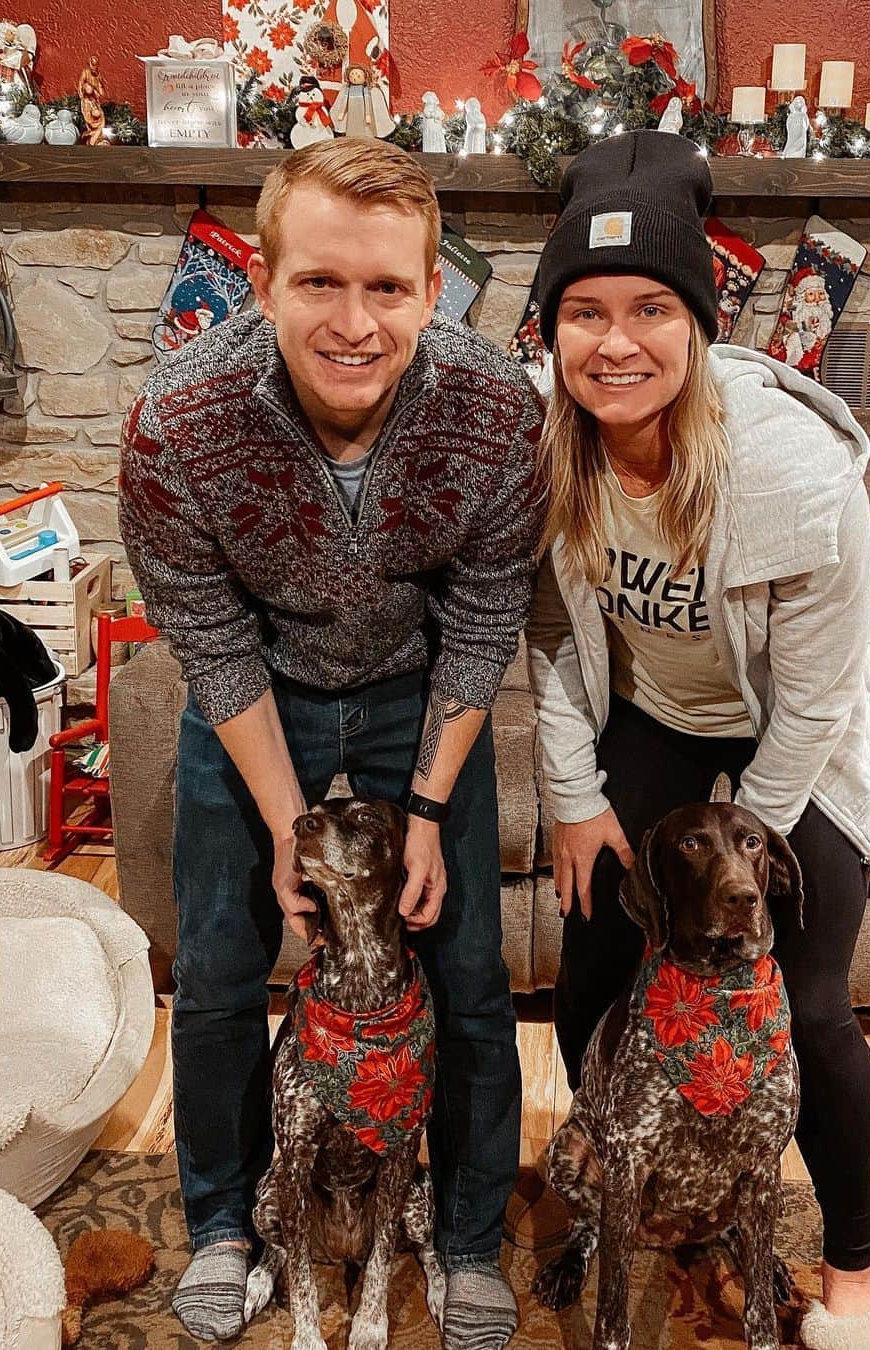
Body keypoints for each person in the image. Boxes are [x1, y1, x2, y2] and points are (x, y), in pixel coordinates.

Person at [119, 137, 544, 1347]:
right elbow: (206, 637)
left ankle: (463, 1241)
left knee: (466, 974)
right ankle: (225, 1228)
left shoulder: (493, 408)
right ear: (262, 280)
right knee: (214, 974)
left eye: (388, 288)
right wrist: (286, 832)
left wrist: (426, 807)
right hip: (258, 690)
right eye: (320, 282)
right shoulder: (178, 425)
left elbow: (485, 613)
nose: (354, 321)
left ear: (433, 290)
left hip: (423, 690)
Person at [524, 130, 870, 1350]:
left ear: (698, 321)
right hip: (652, 720)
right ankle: (621, 1185)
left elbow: (811, 701)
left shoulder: (792, 467)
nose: (616, 342)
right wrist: (579, 799)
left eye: (651, 308)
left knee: (801, 999)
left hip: (790, 741)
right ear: (551, 331)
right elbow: (541, 637)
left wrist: (744, 859)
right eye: (583, 312)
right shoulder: (546, 446)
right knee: (591, 966)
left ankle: (851, 1269)